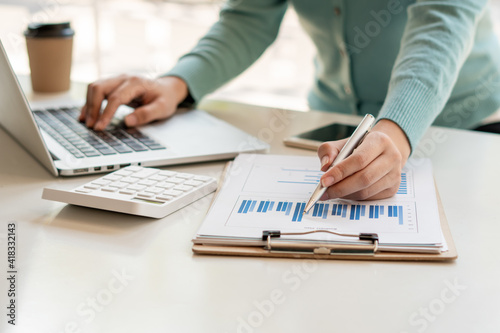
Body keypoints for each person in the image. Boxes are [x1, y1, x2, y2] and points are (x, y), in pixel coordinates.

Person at [79, 0, 500, 201]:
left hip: (463, 128)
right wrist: (177, 82)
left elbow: (442, 23)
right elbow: (250, 18)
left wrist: (396, 130)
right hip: (337, 124)